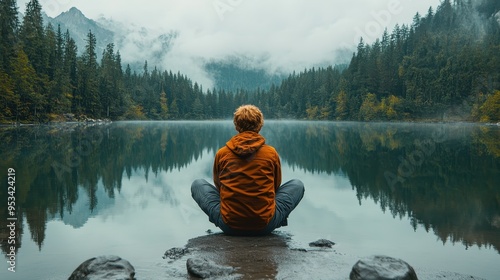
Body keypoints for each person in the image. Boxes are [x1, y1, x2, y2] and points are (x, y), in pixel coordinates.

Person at [191, 104, 305, 236]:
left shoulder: (222, 153)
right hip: (265, 225)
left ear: (236, 126)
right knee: (297, 185)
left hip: (229, 225)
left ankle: (235, 219)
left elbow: (219, 186)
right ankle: (269, 220)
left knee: (197, 184)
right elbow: (275, 185)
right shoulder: (271, 153)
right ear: (260, 125)